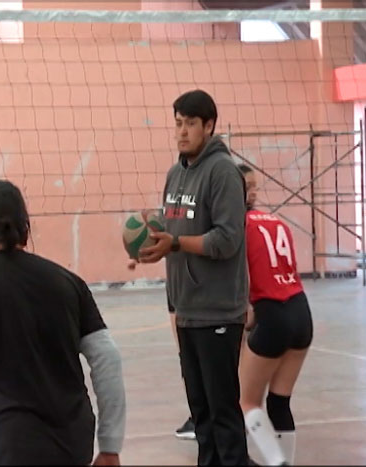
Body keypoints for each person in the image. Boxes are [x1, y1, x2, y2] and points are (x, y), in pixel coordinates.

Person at [0, 180, 126, 466]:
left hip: (10, 448)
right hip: (73, 445)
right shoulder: (68, 282)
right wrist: (110, 446)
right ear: (26, 229)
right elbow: (108, 357)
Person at [137, 89, 249, 465]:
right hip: (186, 308)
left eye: (189, 124)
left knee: (223, 414)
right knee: (201, 414)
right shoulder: (175, 174)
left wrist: (176, 243)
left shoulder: (223, 172)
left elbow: (228, 239)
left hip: (218, 310)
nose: (182, 132)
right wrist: (152, 239)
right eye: (178, 124)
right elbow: (173, 232)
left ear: (209, 126)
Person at [237, 164, 313, 465]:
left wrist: (246, 319)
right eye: (249, 186)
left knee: (245, 402)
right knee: (279, 402)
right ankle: (286, 463)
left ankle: (277, 463)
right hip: (301, 312)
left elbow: (242, 280)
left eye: (254, 186)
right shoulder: (276, 222)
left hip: (273, 315)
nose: (253, 191)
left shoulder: (236, 227)